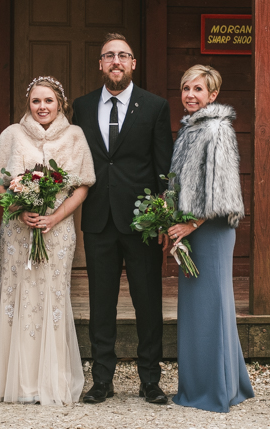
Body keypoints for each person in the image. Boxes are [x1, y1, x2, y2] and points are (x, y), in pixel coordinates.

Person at [72, 33, 174, 404]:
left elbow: (165, 168)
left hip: (141, 222)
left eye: (123, 56)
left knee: (148, 302)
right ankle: (102, 379)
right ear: (100, 65)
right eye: (109, 56)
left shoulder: (154, 106)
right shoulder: (82, 107)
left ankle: (150, 379)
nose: (116, 61)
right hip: (98, 220)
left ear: (133, 64)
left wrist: (163, 217)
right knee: (101, 303)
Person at [0, 76, 96, 405]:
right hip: (18, 232)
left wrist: (56, 216)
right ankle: (17, 382)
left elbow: (82, 185)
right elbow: (1, 183)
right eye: (36, 101)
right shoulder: (12, 134)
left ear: (60, 103)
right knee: (18, 295)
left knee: (51, 295)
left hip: (57, 231)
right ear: (28, 104)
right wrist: (19, 211)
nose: (42, 107)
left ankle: (51, 380)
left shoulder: (75, 136)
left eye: (48, 101)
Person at [164, 65, 254, 412]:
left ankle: (215, 391)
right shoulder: (190, 129)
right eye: (185, 88)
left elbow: (222, 191)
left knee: (213, 306)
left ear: (212, 95)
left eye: (197, 89)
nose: (189, 95)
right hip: (190, 228)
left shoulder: (216, 129)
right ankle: (214, 383)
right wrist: (172, 220)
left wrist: (190, 225)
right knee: (197, 309)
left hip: (210, 229)